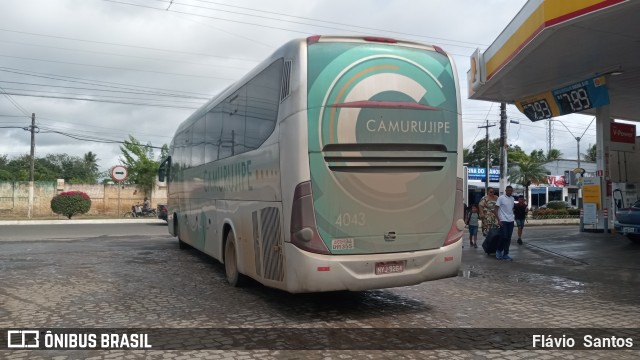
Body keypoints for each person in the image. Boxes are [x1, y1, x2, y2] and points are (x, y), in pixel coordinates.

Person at [494, 185, 515, 260]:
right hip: (503, 220)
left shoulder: (512, 199)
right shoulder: (501, 198)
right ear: (505, 191)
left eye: (511, 191)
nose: (509, 192)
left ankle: (506, 254)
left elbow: (511, 209)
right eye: (508, 190)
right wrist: (499, 220)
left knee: (508, 238)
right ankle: (499, 250)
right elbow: (495, 209)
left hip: (511, 221)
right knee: (504, 236)